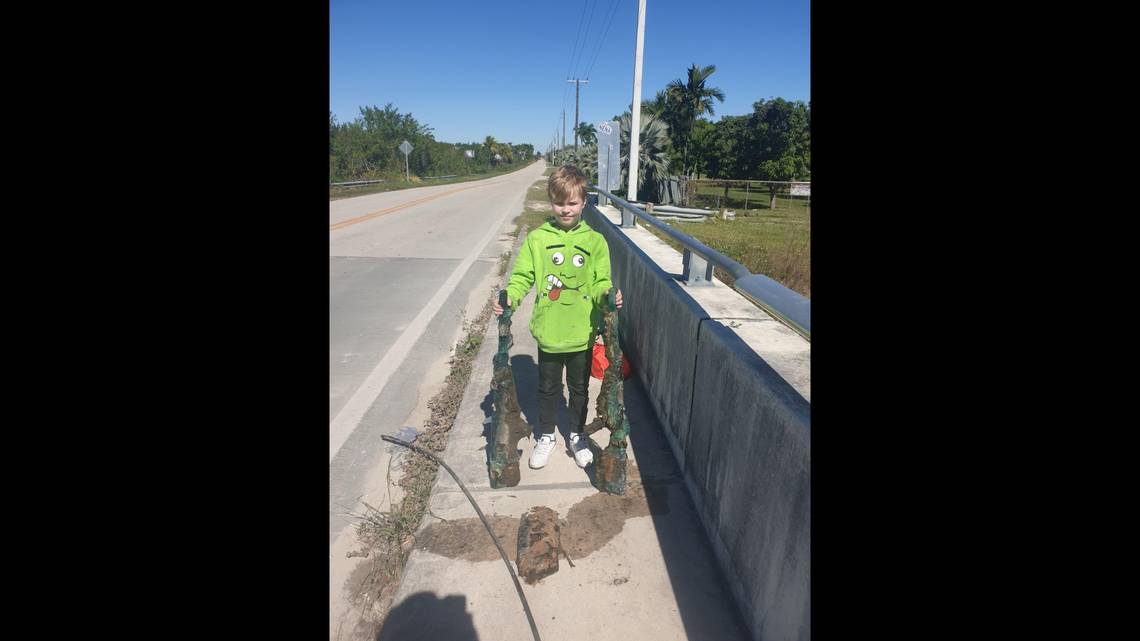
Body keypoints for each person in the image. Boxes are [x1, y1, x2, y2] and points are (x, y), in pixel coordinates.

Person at [492, 164, 623, 470]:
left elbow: (602, 280)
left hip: (582, 332)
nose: (566, 210)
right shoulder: (538, 239)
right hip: (550, 332)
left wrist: (609, 294)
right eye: (560, 203)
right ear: (551, 201)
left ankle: (577, 434)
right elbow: (523, 277)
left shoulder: (595, 242)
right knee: (548, 389)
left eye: (572, 203)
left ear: (584, 202)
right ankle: (547, 434)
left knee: (579, 389)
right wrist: (510, 296)